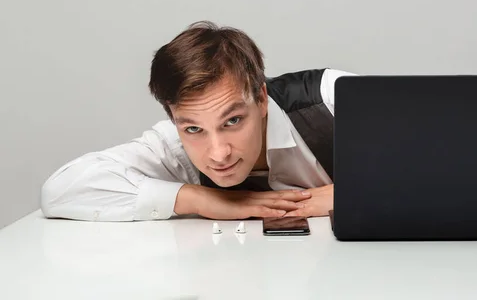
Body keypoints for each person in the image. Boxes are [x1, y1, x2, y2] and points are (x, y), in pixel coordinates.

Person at [40, 21, 355, 222]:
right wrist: (201, 199)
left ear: (260, 99)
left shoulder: (330, 98)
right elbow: (60, 190)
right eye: (193, 129)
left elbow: (407, 153)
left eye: (232, 121)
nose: (218, 154)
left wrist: (352, 194)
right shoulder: (174, 147)